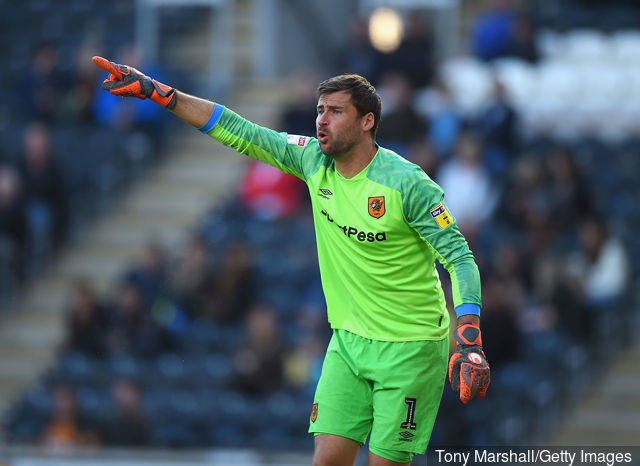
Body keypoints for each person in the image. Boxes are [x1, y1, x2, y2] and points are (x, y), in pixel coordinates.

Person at [93, 56, 490, 466]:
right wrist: (163, 95)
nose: (321, 120)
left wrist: (469, 332)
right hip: (349, 343)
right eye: (320, 110)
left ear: (367, 121)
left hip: (410, 347)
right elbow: (239, 131)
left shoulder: (407, 184)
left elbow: (460, 257)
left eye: (335, 112)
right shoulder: (312, 160)